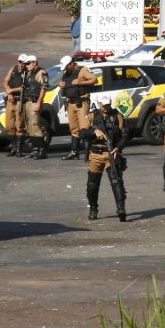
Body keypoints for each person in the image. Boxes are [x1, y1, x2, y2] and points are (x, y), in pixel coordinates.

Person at [84, 92, 130, 221]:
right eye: (103, 105)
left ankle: (121, 208)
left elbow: (126, 135)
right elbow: (82, 132)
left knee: (116, 181)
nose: (105, 107)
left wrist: (118, 148)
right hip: (96, 154)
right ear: (99, 103)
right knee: (92, 184)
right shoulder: (92, 116)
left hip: (112, 153)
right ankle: (93, 208)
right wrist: (94, 131)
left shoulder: (118, 116)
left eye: (107, 104)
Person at [59, 55, 96, 161]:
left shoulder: (82, 70)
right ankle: (74, 152)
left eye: (66, 67)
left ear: (71, 63)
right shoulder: (66, 72)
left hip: (81, 103)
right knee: (74, 128)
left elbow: (94, 80)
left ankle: (88, 153)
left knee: (84, 128)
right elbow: (65, 83)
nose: (65, 69)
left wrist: (80, 82)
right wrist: (60, 84)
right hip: (70, 103)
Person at [21, 55, 50, 159]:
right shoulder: (28, 73)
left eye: (28, 63)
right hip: (27, 101)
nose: (26, 65)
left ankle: (42, 151)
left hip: (34, 101)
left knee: (35, 124)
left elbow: (43, 88)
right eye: (26, 64)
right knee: (29, 126)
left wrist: (39, 102)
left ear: (35, 63)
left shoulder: (41, 73)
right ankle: (35, 149)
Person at [4, 54, 30, 157]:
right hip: (11, 100)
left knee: (19, 125)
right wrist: (9, 93)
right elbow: (6, 81)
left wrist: (12, 90)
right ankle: (14, 147)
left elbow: (23, 87)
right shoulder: (13, 69)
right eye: (20, 62)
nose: (22, 64)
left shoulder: (27, 73)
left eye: (24, 63)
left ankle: (19, 149)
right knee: (9, 126)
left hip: (20, 100)